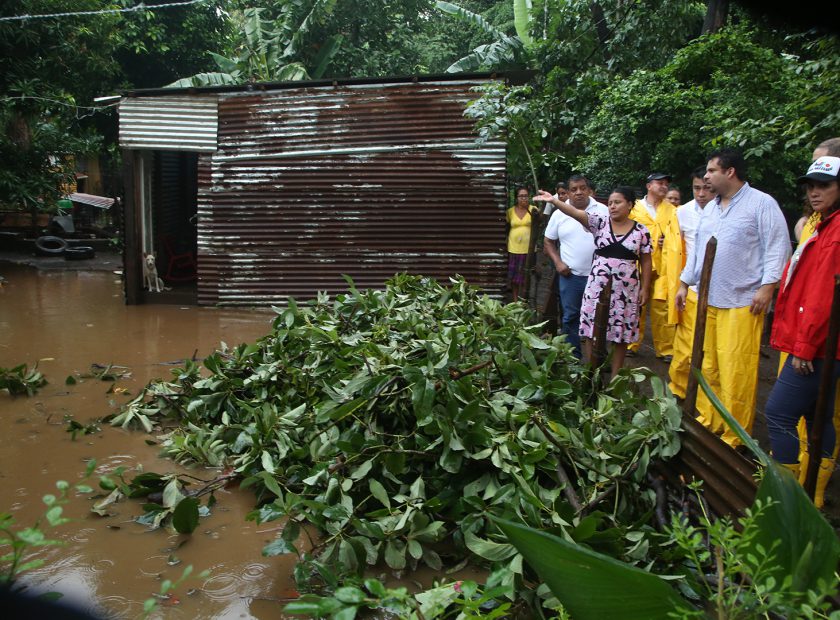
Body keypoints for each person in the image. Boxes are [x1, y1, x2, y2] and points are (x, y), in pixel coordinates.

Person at [676, 148, 790, 447]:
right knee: (708, 363)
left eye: (712, 171)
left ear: (730, 172)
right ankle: (710, 417)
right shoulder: (711, 208)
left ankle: (734, 432)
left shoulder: (761, 204)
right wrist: (684, 283)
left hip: (742, 302)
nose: (707, 176)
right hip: (707, 299)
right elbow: (699, 250)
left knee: (735, 368)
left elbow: (778, 247)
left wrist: (768, 287)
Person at [765, 155, 840, 507]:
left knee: (778, 414)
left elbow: (823, 295)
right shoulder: (824, 225)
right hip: (825, 345)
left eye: (823, 185)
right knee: (818, 416)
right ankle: (815, 494)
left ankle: (786, 496)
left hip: (819, 346)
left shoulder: (835, 234)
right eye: (811, 186)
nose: (814, 192)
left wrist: (804, 346)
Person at [534, 186, 652, 378]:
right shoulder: (600, 223)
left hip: (626, 292)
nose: (612, 206)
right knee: (590, 330)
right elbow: (574, 212)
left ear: (630, 205)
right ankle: (592, 372)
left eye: (618, 202)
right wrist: (555, 201)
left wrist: (645, 288)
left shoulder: (641, 232)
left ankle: (615, 377)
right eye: (611, 203)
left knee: (620, 334)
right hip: (597, 288)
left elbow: (646, 261)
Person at [667, 168, 716, 398]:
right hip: (692, 285)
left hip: (719, 291)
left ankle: (707, 397)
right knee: (685, 343)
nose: (701, 193)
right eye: (697, 188)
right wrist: (682, 284)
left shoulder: (725, 211)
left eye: (706, 188)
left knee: (712, 349)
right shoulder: (683, 212)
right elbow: (679, 250)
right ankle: (678, 390)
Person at [542, 178, 600, 358]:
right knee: (571, 317)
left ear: (589, 190)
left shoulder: (603, 211)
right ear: (568, 192)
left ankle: (598, 358)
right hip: (571, 276)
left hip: (598, 277)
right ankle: (573, 358)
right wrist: (558, 262)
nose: (579, 192)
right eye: (574, 189)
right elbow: (548, 241)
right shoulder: (559, 213)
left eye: (583, 188)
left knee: (599, 319)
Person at [628, 172, 682, 361]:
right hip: (638, 265)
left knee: (662, 307)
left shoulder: (673, 210)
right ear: (649, 186)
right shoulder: (634, 207)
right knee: (635, 304)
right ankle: (630, 343)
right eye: (659, 183)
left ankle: (666, 349)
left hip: (663, 266)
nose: (664, 186)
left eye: (666, 184)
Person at [506, 186, 537, 302]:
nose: (523, 198)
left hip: (528, 250)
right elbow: (506, 227)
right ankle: (515, 300)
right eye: (520, 196)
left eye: (525, 196)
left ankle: (523, 299)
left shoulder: (533, 210)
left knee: (525, 277)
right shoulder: (510, 212)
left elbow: (539, 225)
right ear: (516, 198)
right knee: (514, 278)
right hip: (514, 248)